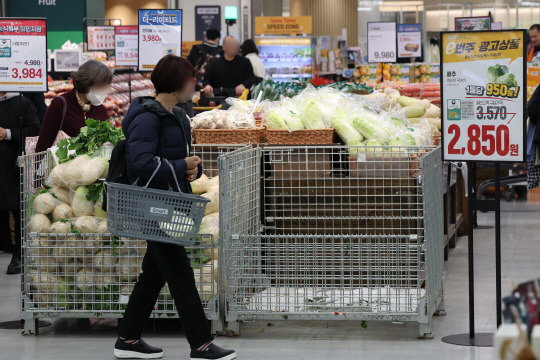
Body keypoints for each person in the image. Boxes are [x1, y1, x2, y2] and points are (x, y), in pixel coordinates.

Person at [114, 55, 236, 360]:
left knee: (153, 274)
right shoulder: (146, 117)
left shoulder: (179, 116)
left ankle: (128, 339)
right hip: (150, 205)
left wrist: (191, 169)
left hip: (170, 203)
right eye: (190, 79)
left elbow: (175, 160)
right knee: (180, 274)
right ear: (176, 82)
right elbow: (141, 164)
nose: (194, 84)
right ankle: (201, 343)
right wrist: (181, 165)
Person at [0, 92, 40, 274]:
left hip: (14, 166)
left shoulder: (23, 103)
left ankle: (19, 254)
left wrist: (7, 133)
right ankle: (6, 244)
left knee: (18, 210)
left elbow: (34, 131)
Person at [35, 60, 112, 152]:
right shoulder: (61, 105)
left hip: (94, 165)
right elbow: (44, 141)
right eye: (101, 86)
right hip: (64, 164)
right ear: (87, 83)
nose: (103, 91)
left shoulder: (101, 109)